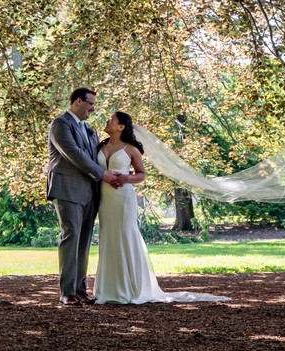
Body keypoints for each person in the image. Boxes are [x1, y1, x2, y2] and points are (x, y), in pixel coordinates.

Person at [93, 110, 230, 304]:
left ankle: (131, 289)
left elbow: (141, 174)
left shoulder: (131, 149)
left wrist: (126, 178)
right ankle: (109, 289)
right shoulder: (100, 145)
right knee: (108, 237)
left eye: (112, 119)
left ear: (121, 127)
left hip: (123, 197)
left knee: (125, 235)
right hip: (105, 199)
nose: (107, 120)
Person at [46, 88, 123, 306]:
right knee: (71, 236)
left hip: (91, 191)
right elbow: (73, 154)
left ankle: (80, 290)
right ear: (78, 101)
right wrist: (104, 174)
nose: (93, 108)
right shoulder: (60, 124)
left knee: (85, 241)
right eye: (91, 104)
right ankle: (67, 292)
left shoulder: (89, 129)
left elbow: (95, 157)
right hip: (68, 188)